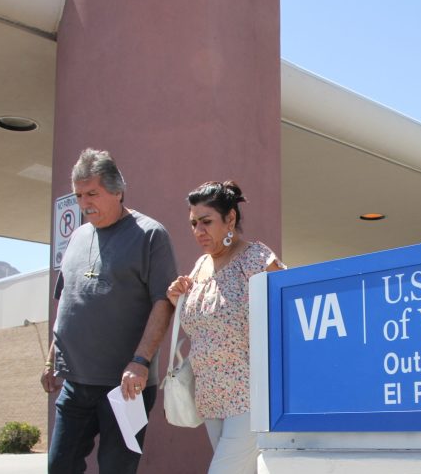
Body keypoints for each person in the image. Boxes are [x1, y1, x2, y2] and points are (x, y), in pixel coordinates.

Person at [41, 148, 177, 474]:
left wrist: (141, 361)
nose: (84, 203)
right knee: (59, 466)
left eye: (92, 193)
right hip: (75, 384)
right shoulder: (77, 237)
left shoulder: (150, 235)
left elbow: (164, 301)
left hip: (126, 387)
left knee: (117, 469)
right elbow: (67, 303)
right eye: (78, 195)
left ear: (117, 191)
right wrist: (51, 360)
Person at [166, 181, 284, 474]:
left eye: (206, 222)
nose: (198, 231)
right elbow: (203, 324)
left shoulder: (255, 258)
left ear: (230, 219)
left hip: (250, 397)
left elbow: (290, 306)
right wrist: (177, 298)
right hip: (211, 398)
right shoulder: (200, 266)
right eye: (193, 223)